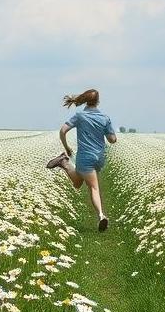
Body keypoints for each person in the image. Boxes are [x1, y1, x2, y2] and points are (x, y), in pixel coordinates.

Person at [46, 88, 117, 231]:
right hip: (97, 158)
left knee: (78, 183)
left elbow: (63, 130)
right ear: (98, 101)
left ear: (86, 100)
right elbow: (112, 139)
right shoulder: (105, 118)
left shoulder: (80, 116)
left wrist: (66, 146)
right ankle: (101, 216)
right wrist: (108, 134)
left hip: (86, 157)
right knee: (93, 187)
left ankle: (64, 161)